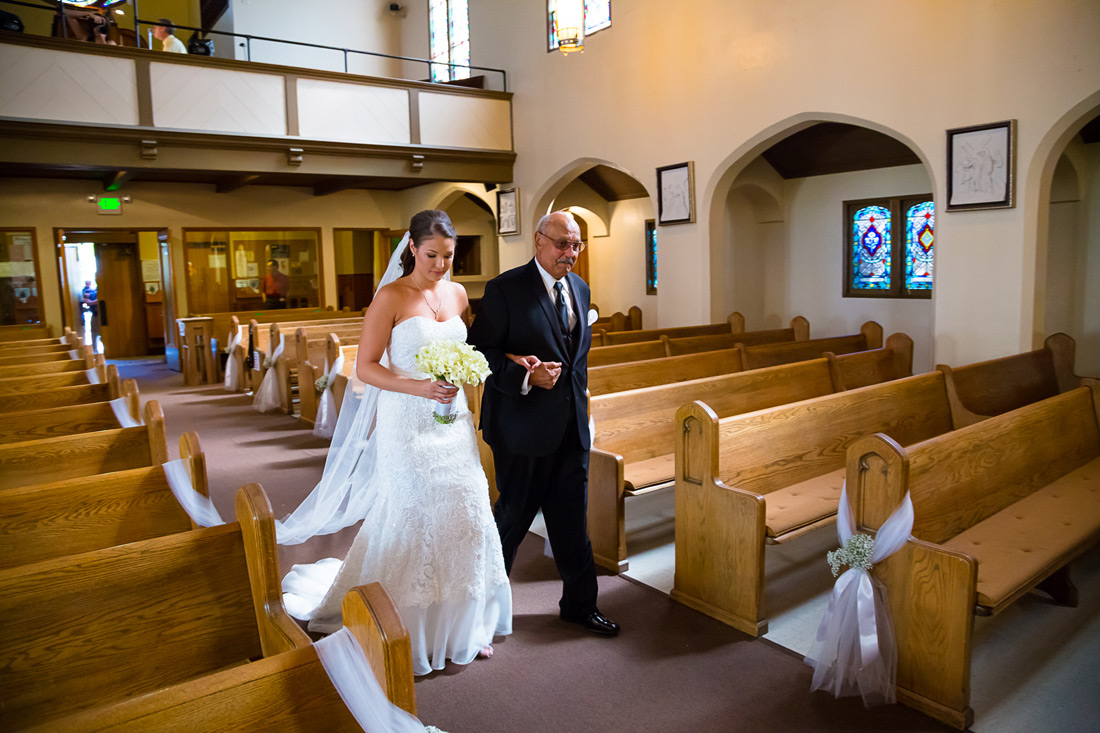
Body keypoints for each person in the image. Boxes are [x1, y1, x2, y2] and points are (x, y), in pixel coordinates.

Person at [280, 210, 511, 676]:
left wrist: (463, 378)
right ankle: (405, 625)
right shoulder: (390, 296)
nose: (440, 265)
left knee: (466, 511)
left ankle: (463, 626)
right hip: (407, 422)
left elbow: (464, 353)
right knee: (415, 516)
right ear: (411, 247)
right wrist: (421, 387)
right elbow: (365, 368)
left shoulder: (459, 293)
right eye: (431, 255)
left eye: (448, 256)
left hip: (452, 422)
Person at [468, 210, 620, 637]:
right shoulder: (505, 290)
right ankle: (481, 613)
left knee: (573, 522)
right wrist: (523, 375)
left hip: (571, 428)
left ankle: (580, 606)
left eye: (576, 245)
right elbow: (479, 354)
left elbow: (576, 365)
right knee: (512, 522)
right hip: (522, 430)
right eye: (561, 244)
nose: (569, 254)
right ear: (538, 241)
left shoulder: (580, 287)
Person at [81, 279, 100, 346]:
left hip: (102, 314)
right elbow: (87, 301)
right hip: (96, 314)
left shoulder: (96, 291)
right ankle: (95, 352)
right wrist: (96, 301)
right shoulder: (92, 291)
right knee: (94, 333)